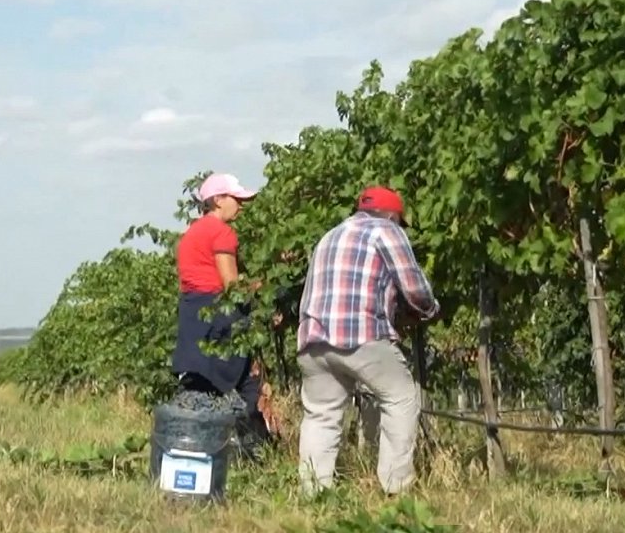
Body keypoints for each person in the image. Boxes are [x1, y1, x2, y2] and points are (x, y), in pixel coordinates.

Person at [294, 185, 439, 496]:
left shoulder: (329, 236)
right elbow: (413, 287)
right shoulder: (386, 231)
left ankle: (312, 494)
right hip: (361, 336)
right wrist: (429, 310)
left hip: (313, 339)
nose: (400, 227)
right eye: (400, 221)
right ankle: (395, 490)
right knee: (400, 398)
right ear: (391, 215)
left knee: (321, 415)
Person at [171, 172, 270, 454]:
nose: (241, 205)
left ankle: (195, 444)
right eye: (235, 198)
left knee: (201, 385)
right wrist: (267, 284)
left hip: (193, 315)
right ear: (217, 200)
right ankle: (251, 451)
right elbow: (232, 287)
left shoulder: (192, 232)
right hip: (220, 315)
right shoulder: (222, 233)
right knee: (247, 384)